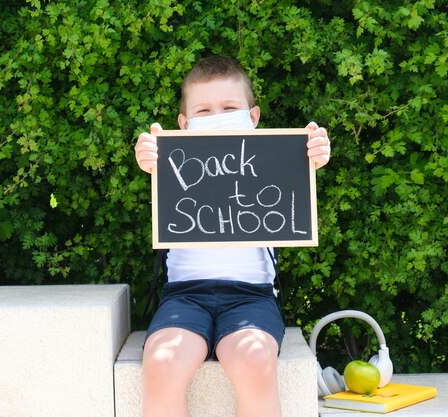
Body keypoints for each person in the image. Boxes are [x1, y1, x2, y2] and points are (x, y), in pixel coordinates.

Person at [134, 55, 330, 417]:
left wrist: (312, 156)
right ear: (184, 123)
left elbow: (302, 163)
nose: (216, 116)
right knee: (162, 363)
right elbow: (153, 157)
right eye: (204, 110)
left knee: (255, 361)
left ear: (252, 117)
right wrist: (150, 158)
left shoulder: (275, 158)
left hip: (250, 297)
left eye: (229, 107)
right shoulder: (172, 158)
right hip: (185, 296)